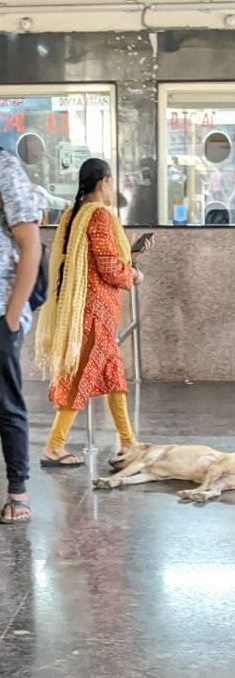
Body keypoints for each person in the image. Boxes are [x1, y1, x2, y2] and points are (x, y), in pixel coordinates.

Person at [36, 158, 151, 466]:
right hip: (94, 315)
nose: (112, 188)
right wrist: (134, 276)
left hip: (88, 310)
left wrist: (132, 253)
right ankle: (54, 446)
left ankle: (128, 442)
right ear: (103, 182)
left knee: (114, 375)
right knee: (79, 378)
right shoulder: (99, 216)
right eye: (112, 182)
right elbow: (110, 267)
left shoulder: (73, 214)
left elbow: (98, 257)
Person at [0, 148, 41, 524]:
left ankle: (18, 492)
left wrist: (12, 315)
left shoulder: (4, 167)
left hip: (0, 310)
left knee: (6, 404)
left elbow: (31, 244)